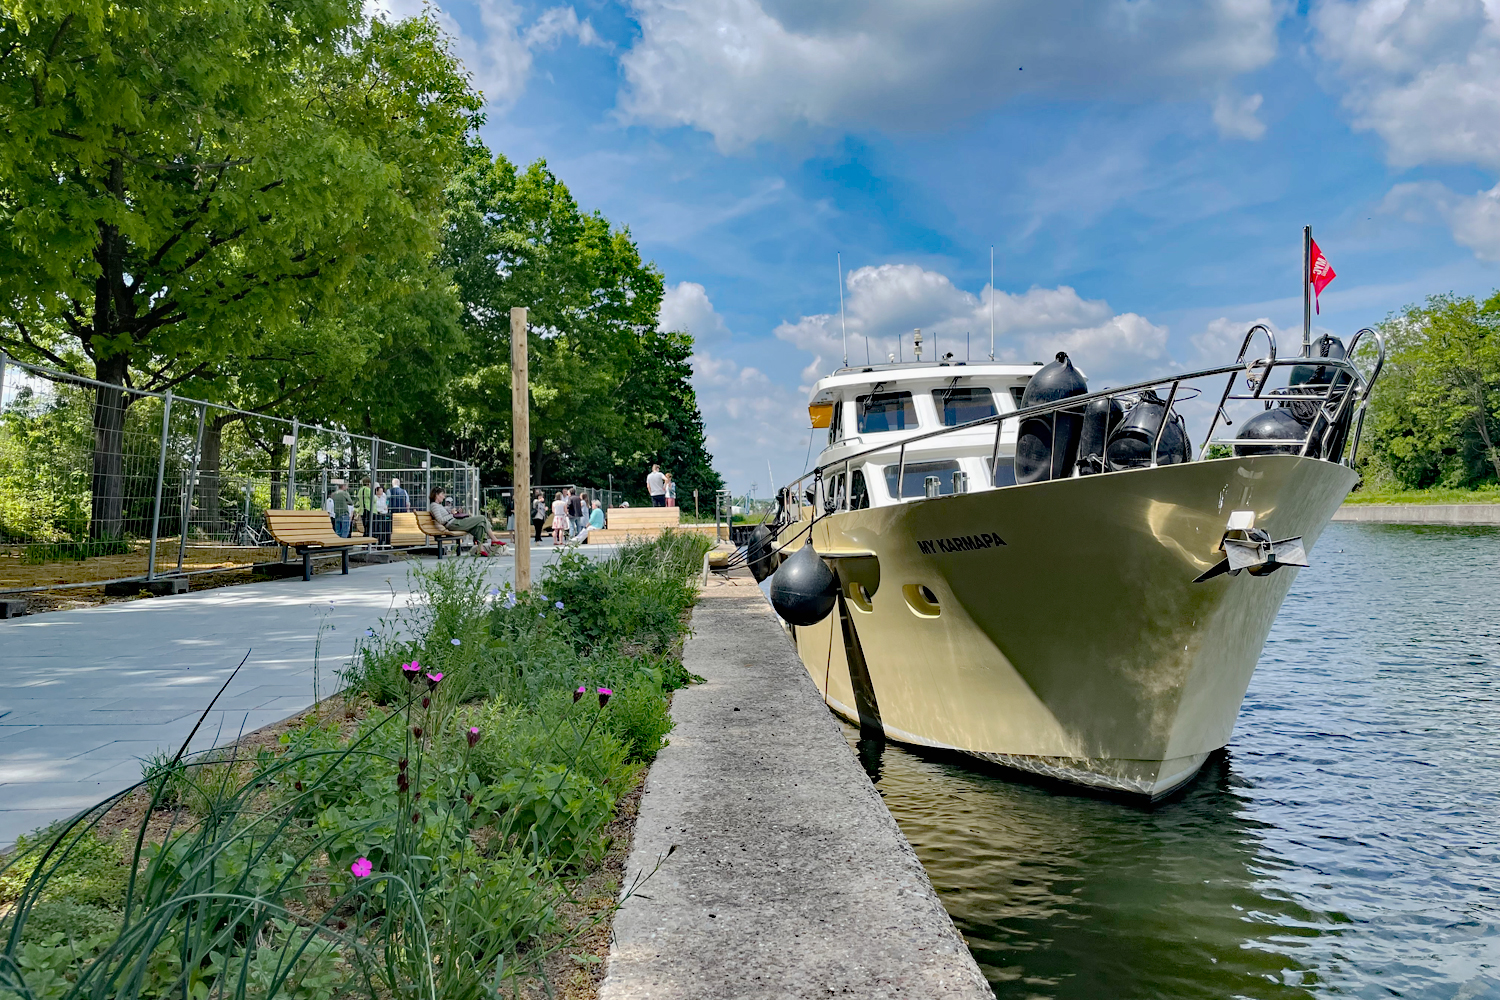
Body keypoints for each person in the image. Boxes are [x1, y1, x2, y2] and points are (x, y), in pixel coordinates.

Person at [428, 488, 502, 555]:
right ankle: (494, 539)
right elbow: (440, 520)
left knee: (480, 525)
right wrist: (452, 515)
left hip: (455, 522)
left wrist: (452, 512)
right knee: (482, 518)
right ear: (436, 495)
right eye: (442, 494)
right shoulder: (434, 505)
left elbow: (444, 515)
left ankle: (480, 549)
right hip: (453, 523)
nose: (444, 497)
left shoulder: (438, 505)